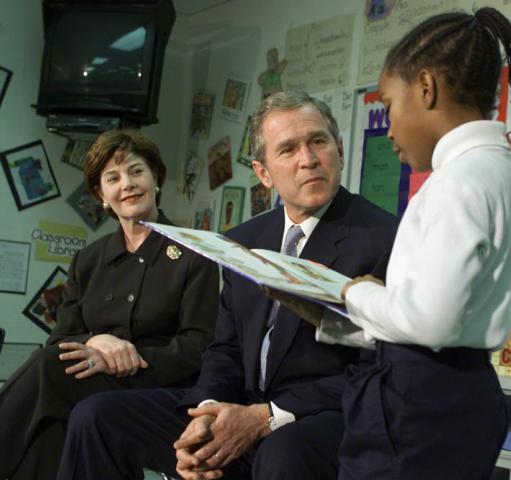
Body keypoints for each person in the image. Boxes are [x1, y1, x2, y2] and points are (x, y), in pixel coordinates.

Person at [56, 92, 398, 480]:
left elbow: (382, 368)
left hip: (320, 415)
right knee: (97, 417)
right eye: (288, 149)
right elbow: (225, 348)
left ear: (338, 148)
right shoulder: (242, 239)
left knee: (282, 453)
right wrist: (207, 411)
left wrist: (265, 418)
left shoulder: (384, 238)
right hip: (240, 404)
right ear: (263, 173)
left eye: (318, 141)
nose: (308, 159)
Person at [274, 7, 511, 479]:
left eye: (389, 105)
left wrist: (349, 291)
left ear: (425, 88)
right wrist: (330, 319)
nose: (390, 128)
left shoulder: (457, 182)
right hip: (454, 393)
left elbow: (430, 323)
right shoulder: (493, 170)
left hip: (418, 405)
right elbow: (446, 324)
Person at [0, 130, 219, 480]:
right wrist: (95, 343)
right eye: (113, 178)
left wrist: (125, 358)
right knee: (51, 422)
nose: (127, 184)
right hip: (89, 384)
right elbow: (61, 338)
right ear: (101, 195)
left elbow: (198, 347)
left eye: (136, 171)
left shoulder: (195, 253)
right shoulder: (88, 260)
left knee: (46, 368)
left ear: (155, 178)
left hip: (161, 386)